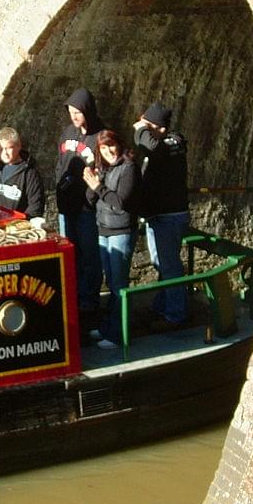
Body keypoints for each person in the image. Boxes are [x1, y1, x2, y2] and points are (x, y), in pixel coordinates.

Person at [133, 101, 190, 331]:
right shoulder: (157, 144)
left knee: (170, 266)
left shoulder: (173, 142)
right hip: (158, 215)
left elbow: (153, 148)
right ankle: (162, 305)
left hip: (170, 215)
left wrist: (140, 129)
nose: (141, 126)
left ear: (161, 128)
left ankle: (176, 315)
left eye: (148, 124)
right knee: (162, 264)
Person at [83, 130, 141, 350]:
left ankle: (118, 334)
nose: (108, 152)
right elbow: (91, 201)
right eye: (104, 149)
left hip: (122, 230)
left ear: (119, 144)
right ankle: (108, 327)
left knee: (119, 283)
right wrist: (91, 184)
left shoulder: (129, 168)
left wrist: (98, 187)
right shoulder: (105, 168)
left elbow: (120, 201)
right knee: (110, 281)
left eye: (111, 146)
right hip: (104, 229)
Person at [55, 88, 105, 323]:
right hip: (67, 206)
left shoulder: (101, 136)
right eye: (71, 112)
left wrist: (91, 198)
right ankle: (73, 299)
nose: (74, 116)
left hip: (87, 209)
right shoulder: (67, 133)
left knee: (89, 256)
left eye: (78, 112)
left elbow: (104, 171)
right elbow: (60, 163)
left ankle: (89, 301)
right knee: (70, 255)